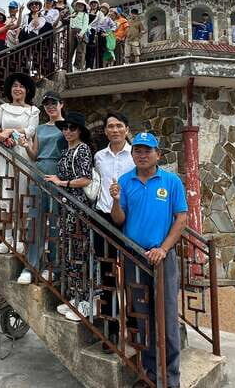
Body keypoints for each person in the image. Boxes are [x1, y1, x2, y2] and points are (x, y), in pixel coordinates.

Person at [110, 132, 187, 388]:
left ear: (158, 154)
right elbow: (119, 220)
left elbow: (181, 219)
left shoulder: (171, 181)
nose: (142, 155)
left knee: (167, 318)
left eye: (147, 151)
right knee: (142, 318)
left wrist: (163, 249)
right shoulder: (125, 181)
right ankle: (150, 374)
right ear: (132, 155)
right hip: (135, 257)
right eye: (138, 151)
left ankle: (170, 379)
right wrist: (116, 201)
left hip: (161, 258)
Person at [44, 111, 94, 322]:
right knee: (69, 251)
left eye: (72, 128)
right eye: (65, 128)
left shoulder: (82, 150)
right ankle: (74, 297)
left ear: (80, 130)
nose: (67, 131)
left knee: (79, 253)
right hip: (66, 207)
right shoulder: (66, 150)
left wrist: (61, 183)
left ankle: (84, 301)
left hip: (78, 207)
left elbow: (85, 179)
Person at [92, 112, 134, 346]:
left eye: (119, 125)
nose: (115, 130)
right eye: (111, 126)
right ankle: (111, 328)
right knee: (107, 272)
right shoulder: (99, 156)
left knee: (131, 271)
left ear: (126, 129)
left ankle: (136, 325)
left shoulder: (135, 156)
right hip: (103, 216)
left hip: (129, 219)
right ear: (106, 131)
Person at [17, 91, 67, 285]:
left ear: (61, 104)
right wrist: (26, 145)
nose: (50, 107)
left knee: (55, 221)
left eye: (54, 103)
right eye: (47, 104)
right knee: (35, 219)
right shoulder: (40, 128)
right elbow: (35, 153)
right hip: (39, 171)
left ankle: (53, 267)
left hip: (58, 173)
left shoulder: (68, 127)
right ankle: (31, 266)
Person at [0, 73, 39, 254]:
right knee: (6, 194)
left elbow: (31, 130)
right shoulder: (3, 107)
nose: (18, 89)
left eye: (22, 86)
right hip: (5, 153)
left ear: (27, 90)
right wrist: (0, 136)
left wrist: (9, 131)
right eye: (15, 85)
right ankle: (7, 237)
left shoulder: (33, 111)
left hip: (24, 154)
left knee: (23, 195)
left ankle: (20, 237)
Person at [91, 2, 117, 68]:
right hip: (94, 34)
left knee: (103, 51)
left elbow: (114, 26)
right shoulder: (96, 15)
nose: (103, 10)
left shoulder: (108, 19)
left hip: (102, 34)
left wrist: (108, 33)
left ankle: (103, 66)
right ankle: (96, 66)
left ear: (107, 11)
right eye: (102, 8)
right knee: (94, 51)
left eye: (105, 9)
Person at [70, 0, 90, 70]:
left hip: (81, 32)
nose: (80, 6)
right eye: (78, 4)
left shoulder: (85, 15)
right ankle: (68, 67)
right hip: (71, 32)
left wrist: (81, 33)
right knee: (70, 50)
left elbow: (85, 25)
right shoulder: (73, 13)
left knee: (80, 51)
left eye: (82, 5)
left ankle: (78, 67)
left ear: (84, 7)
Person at [85, 0, 101, 69]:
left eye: (95, 3)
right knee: (84, 49)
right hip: (85, 32)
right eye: (92, 3)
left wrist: (97, 33)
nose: (93, 4)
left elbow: (101, 24)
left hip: (94, 32)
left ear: (97, 4)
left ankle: (90, 67)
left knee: (91, 50)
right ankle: (84, 66)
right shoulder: (86, 12)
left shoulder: (100, 14)